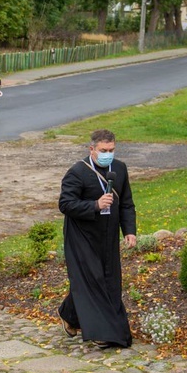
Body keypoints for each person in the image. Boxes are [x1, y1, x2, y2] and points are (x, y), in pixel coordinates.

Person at [57, 129, 136, 349]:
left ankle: (69, 314)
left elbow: (127, 203)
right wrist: (94, 205)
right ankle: (106, 333)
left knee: (109, 280)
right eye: (103, 150)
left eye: (111, 150)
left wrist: (129, 231)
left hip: (108, 235)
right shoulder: (77, 173)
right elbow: (65, 204)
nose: (107, 154)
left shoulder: (119, 169)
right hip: (82, 236)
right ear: (92, 149)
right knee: (93, 280)